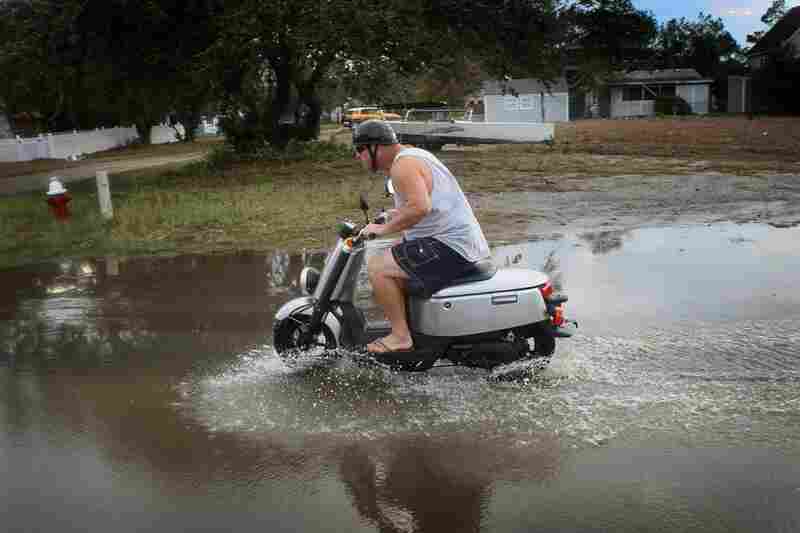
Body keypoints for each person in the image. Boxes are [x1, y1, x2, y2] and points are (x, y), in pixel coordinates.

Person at [353, 119, 490, 354]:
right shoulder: (414, 156)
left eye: (360, 149)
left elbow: (419, 208)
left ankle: (400, 337)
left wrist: (383, 230)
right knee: (394, 257)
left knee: (378, 267)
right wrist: (390, 216)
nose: (358, 156)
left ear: (376, 147)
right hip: (456, 241)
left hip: (450, 245)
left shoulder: (402, 166)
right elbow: (425, 203)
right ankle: (413, 327)